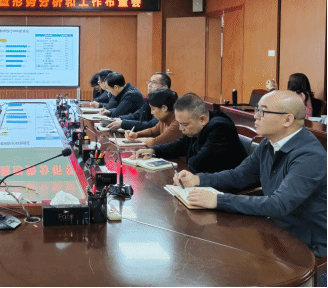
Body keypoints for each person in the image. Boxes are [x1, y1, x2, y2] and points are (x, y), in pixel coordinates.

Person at [174, 91, 327, 266]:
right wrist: (199, 180)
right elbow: (239, 176)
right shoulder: (269, 143)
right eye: (256, 110)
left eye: (262, 111)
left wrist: (218, 200)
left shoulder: (310, 156)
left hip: (308, 248)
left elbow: (278, 205)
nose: (255, 116)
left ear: (287, 120)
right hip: (276, 233)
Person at [137, 93, 248, 173]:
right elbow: (180, 145)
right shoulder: (198, 124)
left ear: (202, 119)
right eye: (179, 123)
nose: (180, 128)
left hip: (226, 188)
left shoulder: (220, 128)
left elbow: (197, 163)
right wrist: (153, 151)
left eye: (184, 124)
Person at [126, 88, 182, 157]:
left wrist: (137, 139)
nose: (151, 113)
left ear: (164, 108)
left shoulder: (177, 123)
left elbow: (155, 142)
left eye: (153, 109)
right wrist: (136, 134)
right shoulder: (165, 119)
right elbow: (152, 131)